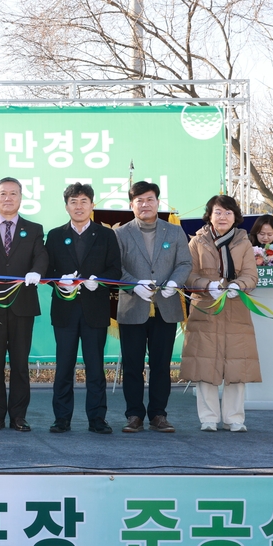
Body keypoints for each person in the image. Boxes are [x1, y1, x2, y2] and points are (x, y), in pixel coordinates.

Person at [114, 181, 193, 434]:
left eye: (149, 199)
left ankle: (159, 414)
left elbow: (184, 263)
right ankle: (134, 415)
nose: (145, 204)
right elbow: (115, 267)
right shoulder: (120, 233)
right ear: (131, 205)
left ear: (158, 202)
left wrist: (174, 282)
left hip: (165, 308)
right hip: (132, 307)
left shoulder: (175, 231)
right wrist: (133, 285)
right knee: (132, 365)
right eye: (139, 200)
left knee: (161, 365)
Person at [179, 195, 262, 432]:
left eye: (228, 212)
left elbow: (251, 275)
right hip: (205, 309)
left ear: (235, 216)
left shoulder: (244, 242)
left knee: (237, 365)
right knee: (205, 365)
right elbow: (188, 275)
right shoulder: (196, 242)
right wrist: (207, 285)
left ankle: (234, 418)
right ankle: (208, 418)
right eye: (218, 212)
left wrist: (239, 285)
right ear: (209, 215)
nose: (222, 217)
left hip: (237, 310)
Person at [44, 182, 122, 435]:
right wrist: (60, 281)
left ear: (92, 204)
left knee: (95, 367)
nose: (79, 207)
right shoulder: (55, 235)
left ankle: (97, 419)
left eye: (83, 201)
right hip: (64, 310)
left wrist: (99, 281)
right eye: (73, 202)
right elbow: (46, 270)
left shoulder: (106, 234)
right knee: (64, 367)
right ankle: (61, 419)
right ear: (66, 206)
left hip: (95, 310)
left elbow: (116, 270)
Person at [0, 177, 48, 432]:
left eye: (13, 193)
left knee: (20, 364)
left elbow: (41, 256)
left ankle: (19, 415)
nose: (8, 198)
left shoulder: (34, 229)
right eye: (3, 193)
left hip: (22, 305)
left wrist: (37, 271)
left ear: (21, 197)